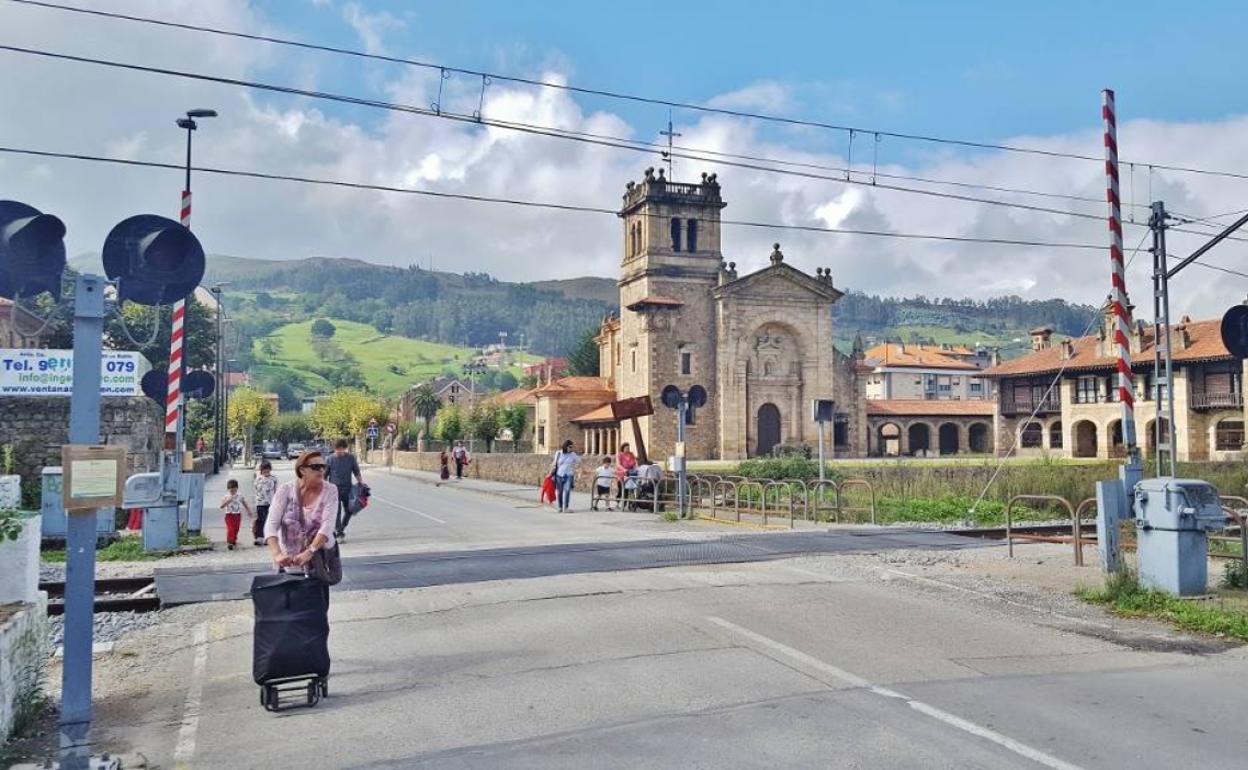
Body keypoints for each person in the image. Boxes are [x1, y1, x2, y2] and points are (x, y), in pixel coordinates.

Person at [264, 449, 337, 598]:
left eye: (323, 466)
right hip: (289, 559)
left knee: (316, 604)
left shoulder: (330, 490)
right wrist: (277, 554)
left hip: (318, 558)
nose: (321, 470)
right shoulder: (286, 490)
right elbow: (271, 525)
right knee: (289, 603)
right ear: (302, 470)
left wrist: (310, 551)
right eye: (316, 467)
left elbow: (327, 526)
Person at [324, 438, 362, 542]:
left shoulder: (350, 458)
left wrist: (361, 483)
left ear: (345, 448)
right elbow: (324, 476)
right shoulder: (330, 459)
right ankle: (339, 533)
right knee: (336, 512)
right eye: (338, 449)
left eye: (342, 449)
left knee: (350, 510)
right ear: (334, 449)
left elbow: (356, 471)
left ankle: (342, 527)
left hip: (348, 489)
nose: (340, 451)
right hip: (334, 490)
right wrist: (323, 488)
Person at [219, 478, 253, 551]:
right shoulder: (226, 497)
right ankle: (230, 542)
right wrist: (228, 501)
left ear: (237, 488)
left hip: (237, 515)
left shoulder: (239, 496)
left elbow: (244, 503)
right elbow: (221, 506)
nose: (232, 490)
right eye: (230, 489)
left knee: (236, 528)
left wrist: (249, 511)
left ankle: (233, 540)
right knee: (230, 528)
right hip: (229, 515)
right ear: (228, 489)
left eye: (234, 488)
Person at [550, 440, 581, 513]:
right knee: (560, 492)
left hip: (568, 474)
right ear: (566, 446)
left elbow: (579, 461)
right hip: (559, 474)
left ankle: (566, 507)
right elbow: (554, 464)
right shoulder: (558, 453)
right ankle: (560, 507)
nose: (571, 448)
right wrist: (550, 473)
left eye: (572, 447)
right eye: (570, 447)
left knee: (567, 491)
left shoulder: (572, 454)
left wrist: (575, 462)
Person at [253, 460, 277, 547]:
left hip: (270, 503)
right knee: (260, 520)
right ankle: (259, 537)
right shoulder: (258, 479)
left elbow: (276, 490)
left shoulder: (274, 478)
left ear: (270, 469)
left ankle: (267, 538)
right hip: (260, 502)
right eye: (264, 470)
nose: (266, 472)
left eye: (267, 470)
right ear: (261, 470)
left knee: (268, 520)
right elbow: (255, 489)